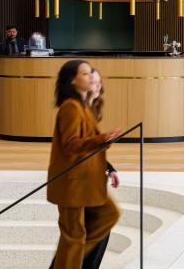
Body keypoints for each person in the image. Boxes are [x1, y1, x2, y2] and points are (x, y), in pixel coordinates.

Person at [47, 60, 121, 268]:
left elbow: (87, 143)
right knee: (74, 237)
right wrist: (102, 139)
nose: (91, 78)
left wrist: (104, 143)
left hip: (84, 182)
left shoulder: (83, 107)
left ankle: (70, 260)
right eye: (85, 74)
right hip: (72, 183)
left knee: (107, 216)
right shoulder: (70, 108)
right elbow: (71, 145)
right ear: (73, 80)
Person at [79, 68, 120, 269]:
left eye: (98, 82)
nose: (97, 87)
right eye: (93, 83)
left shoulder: (90, 111)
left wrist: (109, 169)